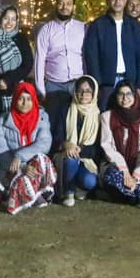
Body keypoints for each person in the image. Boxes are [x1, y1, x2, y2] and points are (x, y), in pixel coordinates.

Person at [0, 82, 56, 214]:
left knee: (42, 158)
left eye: (29, 99)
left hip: (31, 164)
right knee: (20, 176)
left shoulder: (42, 117)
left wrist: (20, 156)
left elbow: (44, 143)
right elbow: (1, 152)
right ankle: (34, 197)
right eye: (21, 98)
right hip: (12, 167)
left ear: (34, 100)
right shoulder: (2, 121)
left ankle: (37, 192)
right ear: (15, 99)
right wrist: (22, 167)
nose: (25, 103)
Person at [83, 0, 140, 110]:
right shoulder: (98, 25)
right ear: (107, 1)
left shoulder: (133, 25)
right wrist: (97, 84)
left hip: (130, 81)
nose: (117, 1)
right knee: (105, 115)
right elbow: (91, 56)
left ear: (125, 1)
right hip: (106, 84)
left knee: (129, 116)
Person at [50, 75, 102, 206]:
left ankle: (77, 186)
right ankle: (69, 193)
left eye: (88, 91)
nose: (84, 95)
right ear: (75, 92)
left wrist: (81, 149)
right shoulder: (65, 109)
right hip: (66, 156)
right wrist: (65, 144)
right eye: (80, 91)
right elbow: (56, 136)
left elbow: (98, 148)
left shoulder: (99, 115)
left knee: (89, 181)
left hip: (86, 159)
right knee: (71, 158)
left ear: (94, 93)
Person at [99, 80, 140, 205]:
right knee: (111, 177)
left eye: (129, 94)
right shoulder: (107, 116)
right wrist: (125, 172)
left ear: (135, 96)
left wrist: (135, 177)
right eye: (121, 94)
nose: (125, 98)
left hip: (138, 165)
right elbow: (107, 147)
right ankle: (128, 193)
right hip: (115, 164)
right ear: (116, 96)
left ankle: (131, 192)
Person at [34, 0, 86, 114]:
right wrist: (41, 89)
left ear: (73, 7)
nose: (64, 7)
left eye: (68, 4)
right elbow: (39, 59)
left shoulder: (83, 28)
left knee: (76, 121)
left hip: (78, 84)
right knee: (55, 121)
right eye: (61, 3)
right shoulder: (46, 30)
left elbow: (88, 56)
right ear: (56, 5)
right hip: (54, 85)